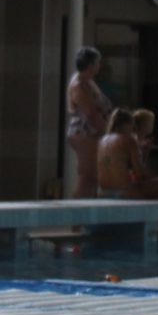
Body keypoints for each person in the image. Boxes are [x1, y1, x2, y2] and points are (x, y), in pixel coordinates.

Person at [97, 108, 158, 200]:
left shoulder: (101, 141)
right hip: (123, 191)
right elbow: (140, 175)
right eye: (132, 127)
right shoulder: (128, 140)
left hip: (103, 192)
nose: (132, 131)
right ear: (128, 125)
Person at [64, 46, 110, 200]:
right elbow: (90, 113)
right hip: (84, 133)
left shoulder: (87, 81)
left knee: (93, 175)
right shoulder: (79, 85)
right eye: (98, 62)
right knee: (87, 174)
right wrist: (108, 130)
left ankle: (89, 209)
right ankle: (77, 213)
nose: (99, 65)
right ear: (91, 64)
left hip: (91, 132)